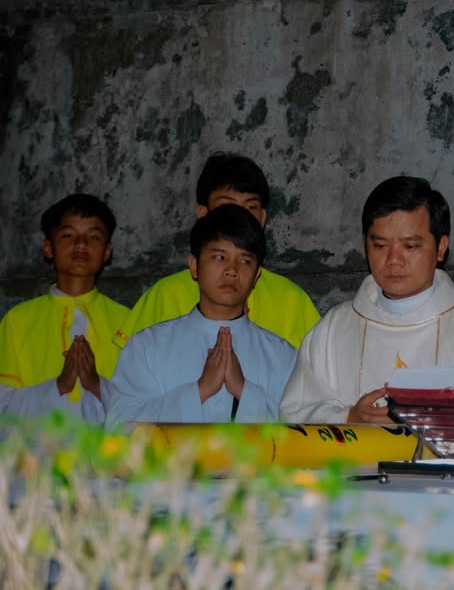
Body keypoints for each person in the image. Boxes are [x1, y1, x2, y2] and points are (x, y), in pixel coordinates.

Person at [279, 176, 454, 424]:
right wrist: (348, 418)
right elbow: (294, 414)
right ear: (365, 244)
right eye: (380, 246)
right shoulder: (333, 330)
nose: (394, 260)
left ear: (441, 247)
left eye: (410, 247)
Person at [105, 205, 296, 428]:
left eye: (245, 261)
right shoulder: (147, 347)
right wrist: (200, 390)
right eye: (220, 257)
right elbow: (118, 431)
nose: (232, 270)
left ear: (257, 275)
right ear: (194, 266)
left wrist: (244, 391)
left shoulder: (282, 356)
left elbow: (303, 435)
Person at [113, 152, 320, 350]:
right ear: (203, 214)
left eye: (250, 208)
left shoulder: (291, 300)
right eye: (227, 207)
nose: (238, 218)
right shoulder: (165, 295)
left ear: (263, 218)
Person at [0, 194, 129, 423]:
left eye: (93, 236)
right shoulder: (17, 320)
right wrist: (59, 386)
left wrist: (96, 385)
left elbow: (145, 409)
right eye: (68, 235)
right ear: (48, 247)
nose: (81, 244)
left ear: (107, 251)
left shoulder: (128, 321)